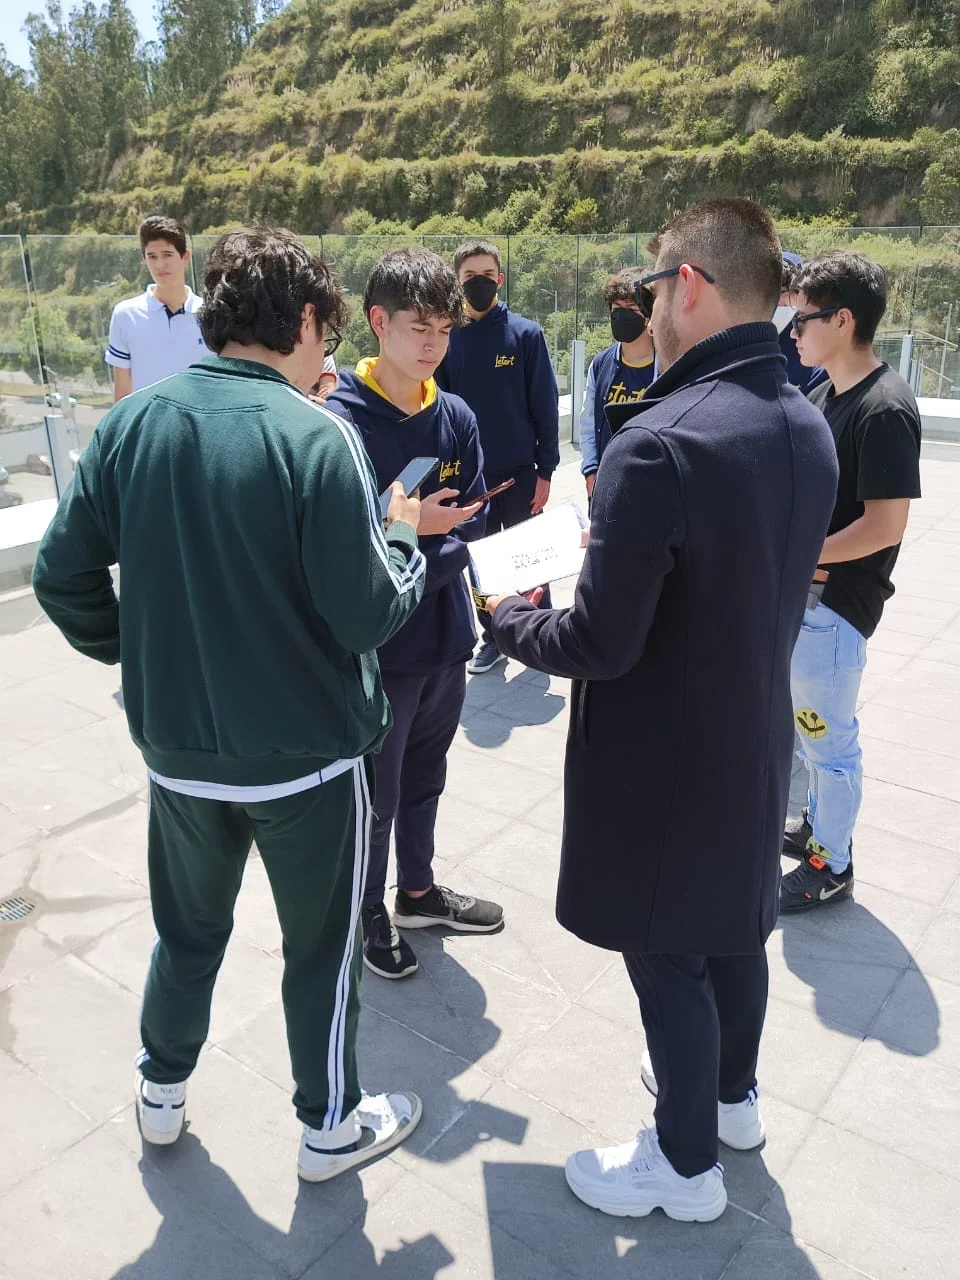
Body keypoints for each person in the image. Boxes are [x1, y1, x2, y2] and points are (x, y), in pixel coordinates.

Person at [33, 227, 428, 1181]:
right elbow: (366, 610)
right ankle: (329, 1124)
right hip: (310, 763)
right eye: (327, 337)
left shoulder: (133, 425)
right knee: (321, 951)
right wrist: (406, 544)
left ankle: (161, 1092)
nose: (328, 359)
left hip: (180, 755)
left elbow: (60, 577)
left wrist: (146, 653)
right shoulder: (316, 433)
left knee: (188, 935)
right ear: (301, 320)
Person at [485, 199, 838, 1221]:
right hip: (752, 734)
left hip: (664, 757)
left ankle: (683, 1165)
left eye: (651, 286)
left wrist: (504, 612)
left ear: (689, 283)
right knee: (733, 930)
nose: (645, 306)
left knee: (668, 953)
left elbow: (599, 642)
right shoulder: (806, 424)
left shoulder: (659, 444)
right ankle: (730, 1101)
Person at [328, 247, 503, 980]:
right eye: (417, 327)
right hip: (379, 647)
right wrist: (416, 531)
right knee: (377, 792)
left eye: (443, 329)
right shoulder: (339, 421)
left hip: (444, 635)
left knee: (427, 772)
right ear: (377, 322)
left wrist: (454, 552)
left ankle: (418, 891)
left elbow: (475, 520)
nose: (433, 343)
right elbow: (334, 548)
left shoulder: (454, 413)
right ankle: (366, 909)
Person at [780, 251, 921, 913]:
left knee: (828, 739)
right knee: (809, 735)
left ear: (842, 319)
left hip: (833, 606)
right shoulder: (822, 392)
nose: (792, 331)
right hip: (802, 596)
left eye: (803, 318)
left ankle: (831, 864)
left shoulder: (884, 408)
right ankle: (815, 829)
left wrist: (805, 559)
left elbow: (885, 525)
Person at [437, 238, 560, 674]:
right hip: (472, 478)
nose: (478, 284)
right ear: (456, 282)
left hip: (522, 470)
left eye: (487, 276)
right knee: (480, 561)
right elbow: (440, 407)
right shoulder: (446, 338)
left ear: (500, 279)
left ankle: (542, 634)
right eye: (469, 277)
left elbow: (544, 405)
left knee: (531, 557)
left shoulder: (524, 334)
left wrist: (546, 470)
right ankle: (494, 637)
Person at [105, 215, 210, 401]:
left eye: (167, 255)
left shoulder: (211, 314)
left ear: (185, 257)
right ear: (144, 260)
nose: (159, 265)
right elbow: (122, 393)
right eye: (151, 257)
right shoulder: (125, 314)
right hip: (148, 428)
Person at [580, 267, 656, 501]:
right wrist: (591, 470)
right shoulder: (601, 364)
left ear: (650, 315)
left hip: (650, 486)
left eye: (632, 309)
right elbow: (588, 423)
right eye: (616, 309)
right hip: (605, 485)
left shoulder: (668, 365)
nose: (622, 316)